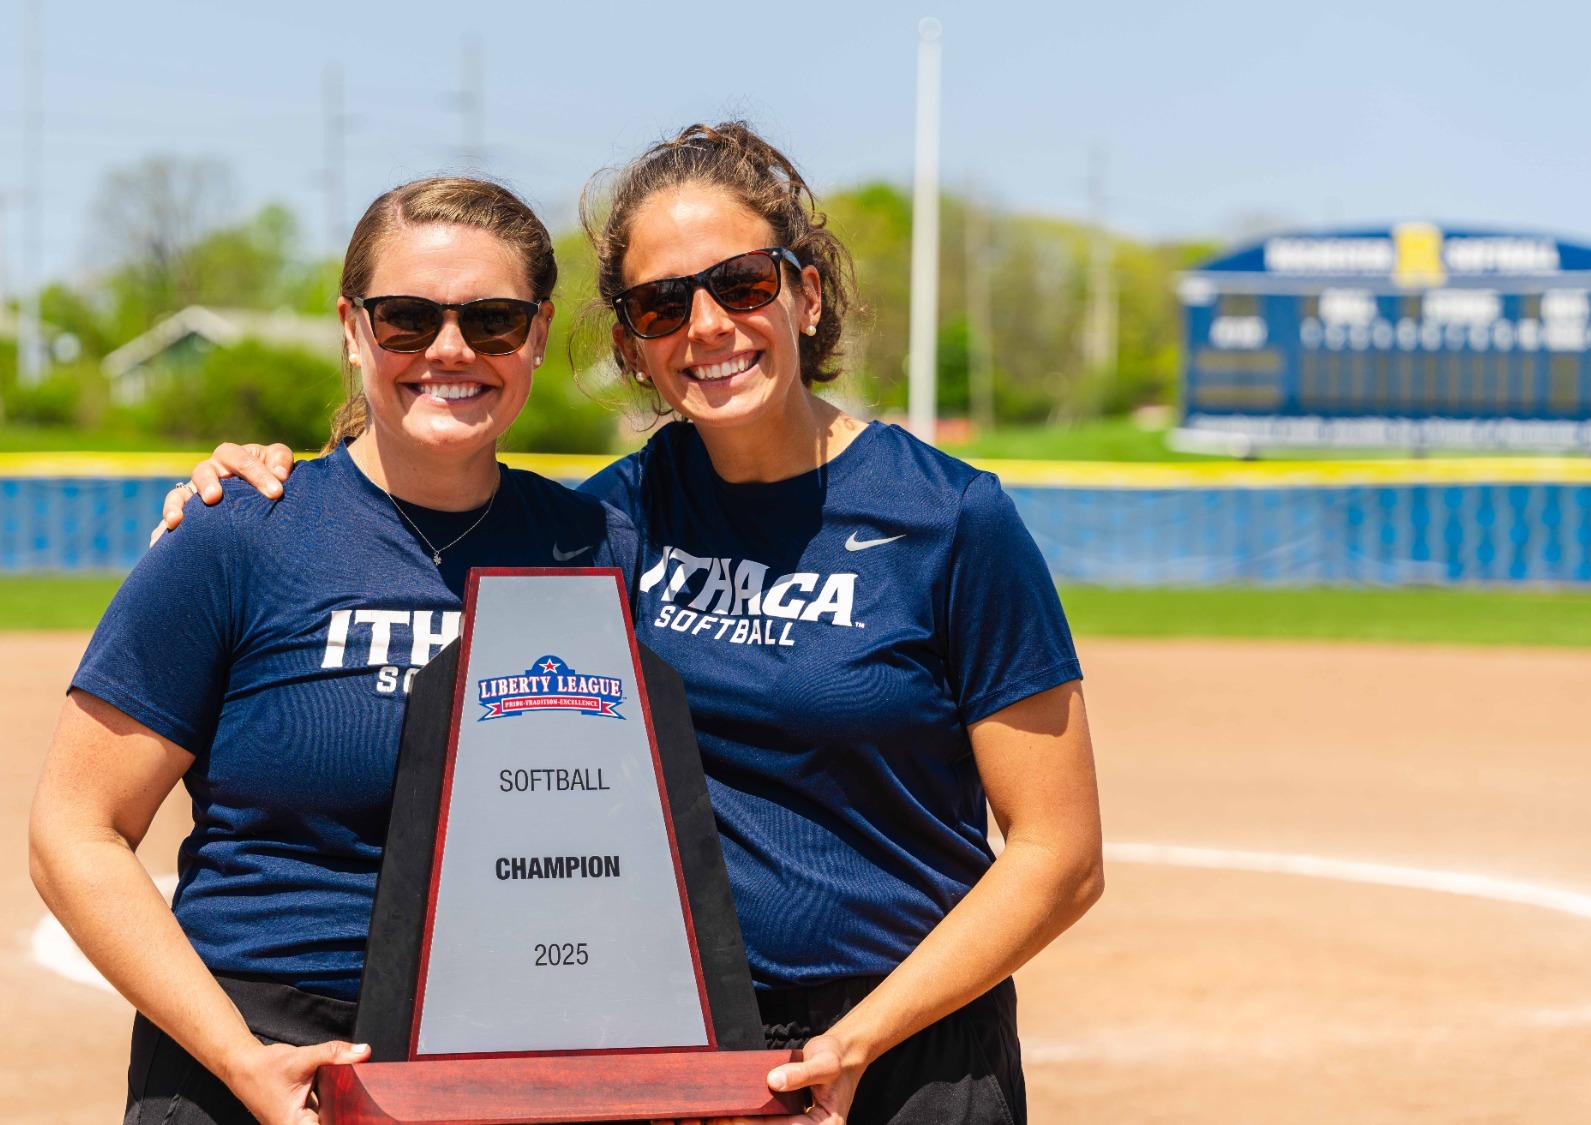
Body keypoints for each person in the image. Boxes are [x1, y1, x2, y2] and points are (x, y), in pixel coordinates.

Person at [163, 123, 1103, 1125]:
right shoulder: (601, 525)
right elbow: (404, 488)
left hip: (906, 1054)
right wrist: (263, 479)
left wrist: (854, 1043)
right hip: (676, 1062)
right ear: (626, 340)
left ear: (805, 293)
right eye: (660, 303)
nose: (706, 325)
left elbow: (1060, 854)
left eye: (742, 284)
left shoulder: (949, 518)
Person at [28, 177, 639, 1125]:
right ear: (353, 328)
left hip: (508, 1059)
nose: (449, 349)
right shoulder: (243, 532)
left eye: (492, 320)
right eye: (407, 318)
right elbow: (75, 829)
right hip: (258, 1056)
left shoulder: (599, 546)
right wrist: (241, 1060)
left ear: (536, 333)